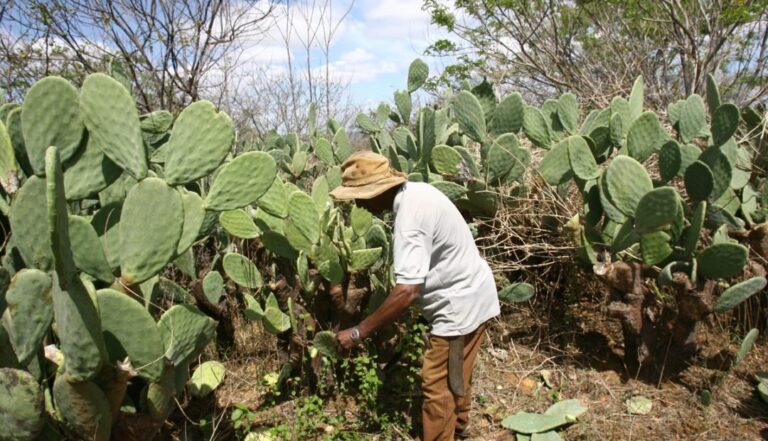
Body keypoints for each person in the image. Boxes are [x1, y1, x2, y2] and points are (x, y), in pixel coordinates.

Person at [329, 151, 500, 441]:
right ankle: (459, 430)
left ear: (377, 192)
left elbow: (407, 290)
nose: (358, 204)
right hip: (473, 294)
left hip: (457, 306)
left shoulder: (410, 218)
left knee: (437, 387)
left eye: (359, 196)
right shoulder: (418, 192)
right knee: (456, 372)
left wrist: (359, 332)